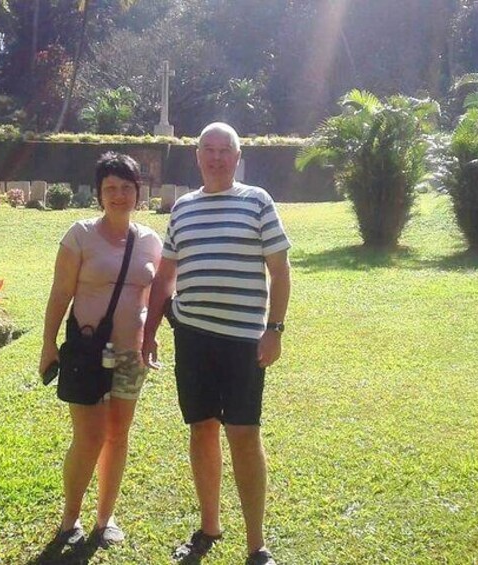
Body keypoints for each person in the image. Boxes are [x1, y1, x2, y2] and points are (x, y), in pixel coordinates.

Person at [142, 122, 292, 565]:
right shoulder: (183, 208)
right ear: (197, 156)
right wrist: (150, 332)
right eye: (208, 149)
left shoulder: (257, 201)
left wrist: (275, 329)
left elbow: (280, 271)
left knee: (244, 434)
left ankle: (256, 545)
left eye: (225, 150)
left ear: (238, 155)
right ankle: (209, 526)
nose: (216, 157)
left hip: (244, 343)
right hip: (192, 339)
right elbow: (166, 277)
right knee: (202, 428)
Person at [40, 152, 163, 552]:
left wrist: (152, 336)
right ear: (99, 194)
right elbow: (61, 293)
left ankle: (105, 519)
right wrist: (47, 344)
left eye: (126, 188)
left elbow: (151, 294)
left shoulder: (150, 241)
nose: (119, 195)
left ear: (137, 193)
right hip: (87, 352)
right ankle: (70, 518)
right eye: (110, 188)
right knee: (90, 436)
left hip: (131, 354)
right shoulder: (80, 235)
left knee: (118, 435)